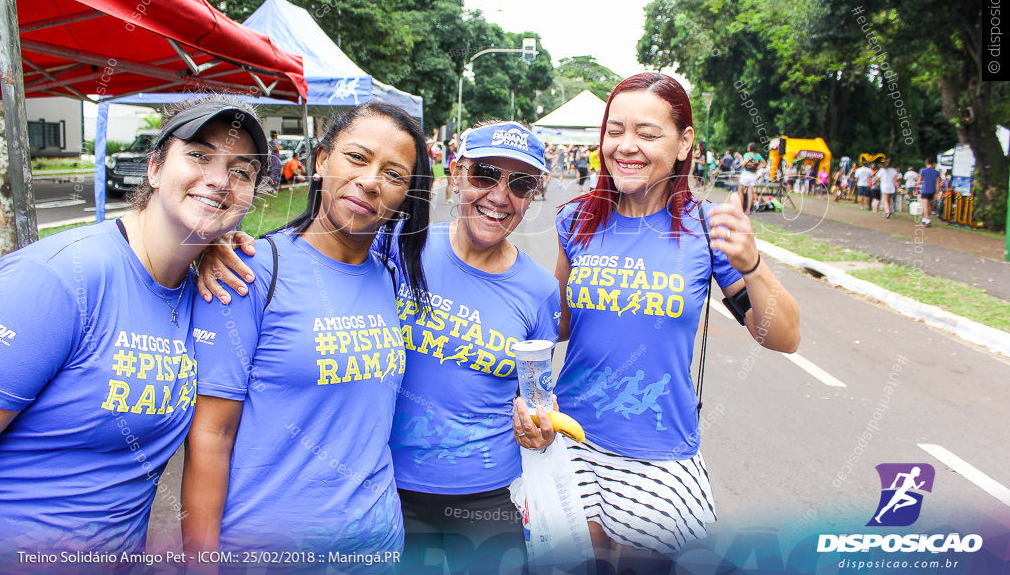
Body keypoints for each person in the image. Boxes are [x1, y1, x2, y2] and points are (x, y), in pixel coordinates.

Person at [515, 72, 800, 570]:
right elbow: (559, 323)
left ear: (684, 142)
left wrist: (753, 264)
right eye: (615, 130)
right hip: (573, 439)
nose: (626, 146)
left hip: (659, 457)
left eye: (647, 133)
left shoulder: (706, 229)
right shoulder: (578, 220)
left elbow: (781, 336)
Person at [0, 98, 267, 566]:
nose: (220, 180)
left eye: (242, 171)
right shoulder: (59, 279)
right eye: (199, 156)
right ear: (155, 167)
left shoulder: (201, 289)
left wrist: (209, 246)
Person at [181, 102, 433, 566]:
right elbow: (210, 437)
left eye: (394, 175)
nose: (371, 181)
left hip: (377, 545)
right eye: (357, 158)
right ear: (321, 160)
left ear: (406, 196)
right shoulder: (247, 271)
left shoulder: (390, 277)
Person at [387, 121, 559, 572]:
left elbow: (535, 394)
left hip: (488, 496)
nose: (500, 196)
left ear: (532, 195)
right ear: (455, 176)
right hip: (387, 485)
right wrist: (223, 244)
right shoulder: (403, 244)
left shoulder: (539, 290)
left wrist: (539, 429)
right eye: (484, 174)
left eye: (520, 183)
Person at [738, 142, 763, 214]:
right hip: (753, 175)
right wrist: (758, 167)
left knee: (740, 191)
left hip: (745, 174)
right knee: (750, 192)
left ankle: (741, 208)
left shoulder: (747, 155)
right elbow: (764, 163)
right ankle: (749, 209)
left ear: (749, 148)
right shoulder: (758, 155)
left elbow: (743, 164)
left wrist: (741, 158)